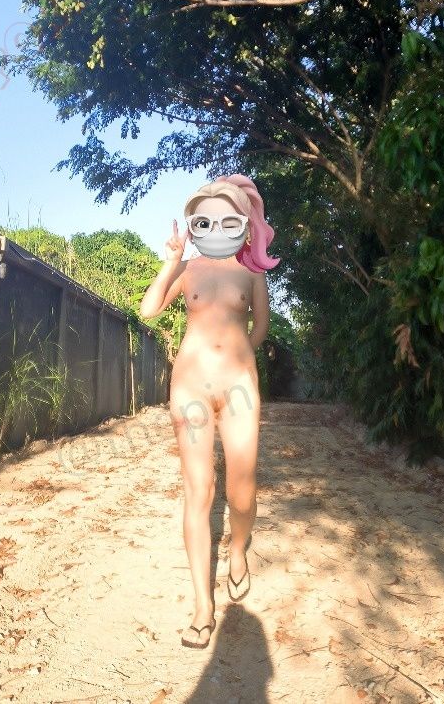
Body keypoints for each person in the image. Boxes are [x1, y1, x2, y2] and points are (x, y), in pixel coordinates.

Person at [139, 174, 280, 649]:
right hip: (190, 387)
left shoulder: (252, 272)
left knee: (242, 490)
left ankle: (238, 549)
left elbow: (260, 328)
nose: (216, 227)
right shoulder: (188, 269)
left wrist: (236, 361)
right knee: (199, 490)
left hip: (239, 386)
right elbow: (148, 309)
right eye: (205, 220)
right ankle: (202, 606)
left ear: (242, 223)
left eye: (226, 219)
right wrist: (170, 262)